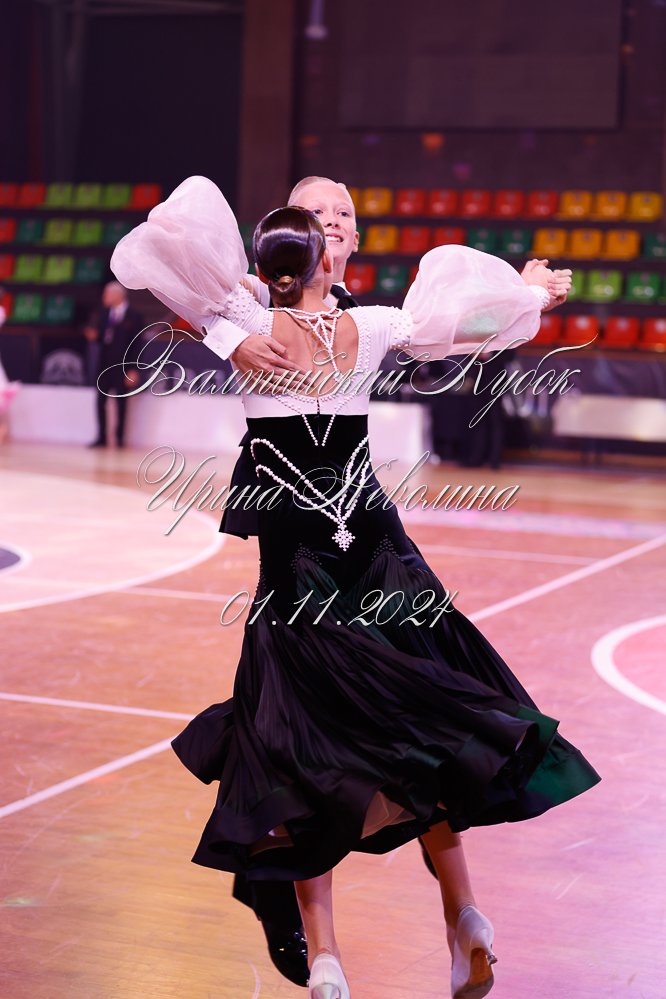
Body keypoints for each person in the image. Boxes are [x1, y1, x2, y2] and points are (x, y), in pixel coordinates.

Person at [111, 176, 599, 999]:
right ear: (301, 243)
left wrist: (231, 338)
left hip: (320, 564)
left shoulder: (275, 317)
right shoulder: (356, 324)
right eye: (318, 213)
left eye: (344, 213)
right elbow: (460, 324)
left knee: (303, 744)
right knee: (406, 723)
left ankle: (337, 955)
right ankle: (457, 919)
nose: (332, 222)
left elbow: (166, 265)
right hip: (365, 547)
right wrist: (525, 294)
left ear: (343, 245)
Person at [84, 281, 144, 448]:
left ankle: (119, 438)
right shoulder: (102, 314)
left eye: (107, 294)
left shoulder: (134, 316)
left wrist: (133, 369)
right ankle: (101, 437)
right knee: (100, 401)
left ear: (118, 295)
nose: (104, 297)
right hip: (105, 364)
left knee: (121, 402)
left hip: (123, 365)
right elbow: (102, 337)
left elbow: (137, 344)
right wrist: (94, 336)